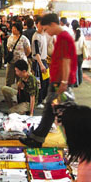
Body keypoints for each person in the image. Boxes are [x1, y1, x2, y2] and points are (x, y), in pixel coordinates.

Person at [19, 12, 77, 146]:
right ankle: (36, 138)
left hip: (60, 82)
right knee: (50, 112)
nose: (46, 32)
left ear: (53, 24)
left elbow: (66, 61)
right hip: (57, 80)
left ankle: (74, 141)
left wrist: (63, 82)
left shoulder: (64, 37)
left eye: (46, 29)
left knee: (62, 114)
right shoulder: (60, 37)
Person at [5, 21, 31, 87]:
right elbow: (8, 47)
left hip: (21, 62)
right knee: (9, 79)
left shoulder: (24, 39)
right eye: (12, 28)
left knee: (21, 80)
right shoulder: (10, 38)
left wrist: (22, 56)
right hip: (11, 61)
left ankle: (21, 91)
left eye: (15, 29)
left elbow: (28, 51)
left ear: (19, 30)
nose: (13, 30)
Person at [71, 19, 86, 86]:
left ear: (73, 29)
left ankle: (75, 83)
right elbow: (85, 45)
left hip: (74, 55)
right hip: (81, 55)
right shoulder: (82, 36)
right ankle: (80, 81)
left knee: (75, 69)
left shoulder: (72, 36)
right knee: (80, 68)